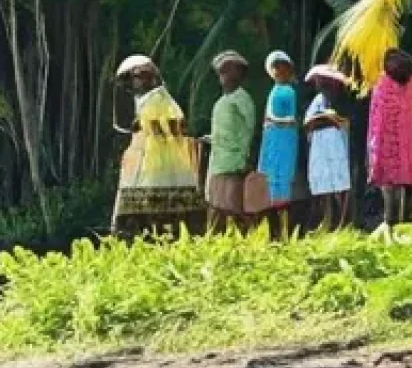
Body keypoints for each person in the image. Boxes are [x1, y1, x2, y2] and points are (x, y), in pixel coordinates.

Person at [110, 54, 205, 237]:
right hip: (151, 166)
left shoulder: (160, 101)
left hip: (157, 168)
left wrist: (145, 127)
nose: (134, 84)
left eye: (138, 77)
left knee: (155, 220)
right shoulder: (150, 102)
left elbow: (171, 129)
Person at [205, 51, 257, 232]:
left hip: (233, 161)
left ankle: (252, 236)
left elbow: (248, 129)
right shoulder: (221, 101)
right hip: (218, 160)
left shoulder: (242, 99)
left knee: (232, 206)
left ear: (239, 74)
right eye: (222, 71)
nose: (224, 75)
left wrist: (244, 157)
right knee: (216, 204)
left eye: (228, 70)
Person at [368, 48, 412, 241]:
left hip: (385, 143)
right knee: (403, 183)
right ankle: (400, 224)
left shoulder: (382, 83)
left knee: (389, 185)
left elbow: (375, 116)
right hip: (404, 143)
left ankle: (389, 223)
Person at [303, 64, 352, 230]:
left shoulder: (343, 100)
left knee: (342, 185)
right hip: (320, 149)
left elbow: (343, 121)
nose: (320, 84)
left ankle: (343, 222)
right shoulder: (317, 100)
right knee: (324, 186)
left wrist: (324, 120)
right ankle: (328, 221)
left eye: (324, 81)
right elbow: (308, 123)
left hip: (338, 147)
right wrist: (327, 120)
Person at [257, 50, 299, 238]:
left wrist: (273, 120)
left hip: (284, 138)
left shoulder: (289, 91)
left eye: (282, 67)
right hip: (272, 139)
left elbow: (290, 118)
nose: (278, 71)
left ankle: (284, 230)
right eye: (275, 67)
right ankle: (272, 230)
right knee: (270, 178)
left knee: (282, 178)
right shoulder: (274, 90)